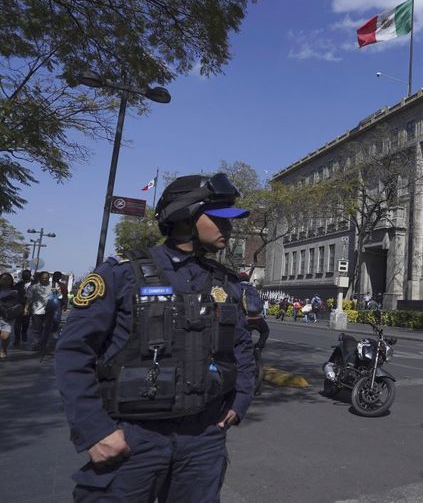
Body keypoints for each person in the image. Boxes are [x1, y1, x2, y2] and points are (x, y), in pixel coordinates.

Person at [54, 172, 256, 502]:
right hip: (132, 438)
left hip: (203, 439)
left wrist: (241, 398)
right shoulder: (122, 274)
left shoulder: (226, 282)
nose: (229, 227)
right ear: (185, 216)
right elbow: (74, 353)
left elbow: (242, 347)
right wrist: (94, 431)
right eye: (219, 218)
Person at [25, 270, 54, 351]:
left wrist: (56, 292)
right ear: (39, 278)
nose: (45, 279)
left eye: (46, 278)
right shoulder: (33, 287)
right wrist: (26, 308)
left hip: (49, 311)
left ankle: (44, 343)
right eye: (43, 278)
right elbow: (29, 299)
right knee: (37, 329)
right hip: (37, 311)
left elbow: (59, 297)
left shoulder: (52, 286)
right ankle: (36, 343)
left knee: (47, 328)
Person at [0, 272, 22, 359]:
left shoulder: (15, 291)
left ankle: (4, 349)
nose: (6, 281)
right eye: (3, 279)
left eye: (8, 279)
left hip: (8, 317)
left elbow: (18, 304)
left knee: (5, 336)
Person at [13, 269, 32, 346]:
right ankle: (17, 338)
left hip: (29, 305)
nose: (25, 275)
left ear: (30, 275)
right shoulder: (18, 285)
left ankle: (24, 333)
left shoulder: (34, 284)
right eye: (24, 274)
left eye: (27, 274)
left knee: (26, 322)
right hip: (18, 305)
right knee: (17, 324)